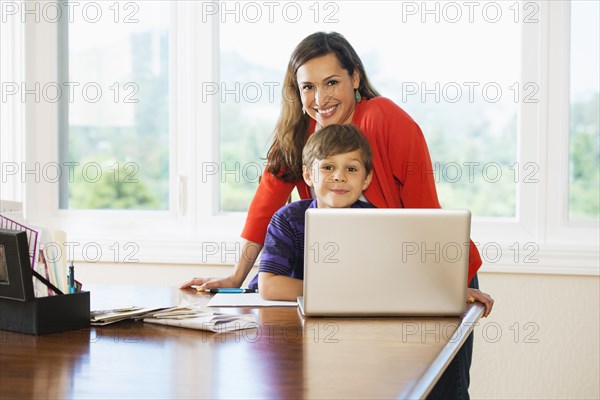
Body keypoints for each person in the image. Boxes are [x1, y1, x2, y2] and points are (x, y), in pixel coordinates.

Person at [180, 31, 493, 399]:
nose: (320, 98)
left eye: (332, 83)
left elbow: (424, 210)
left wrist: (441, 288)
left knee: (440, 390)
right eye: (308, 87)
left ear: (355, 78)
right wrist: (237, 275)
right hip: (365, 284)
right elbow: (267, 202)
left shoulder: (384, 117)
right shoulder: (300, 133)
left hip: (434, 267)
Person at [255, 123, 375, 301]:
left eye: (351, 169)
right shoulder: (288, 219)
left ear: (366, 179)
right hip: (288, 315)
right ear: (309, 175)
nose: (339, 176)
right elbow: (269, 287)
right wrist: (338, 292)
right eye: (328, 167)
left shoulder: (375, 222)